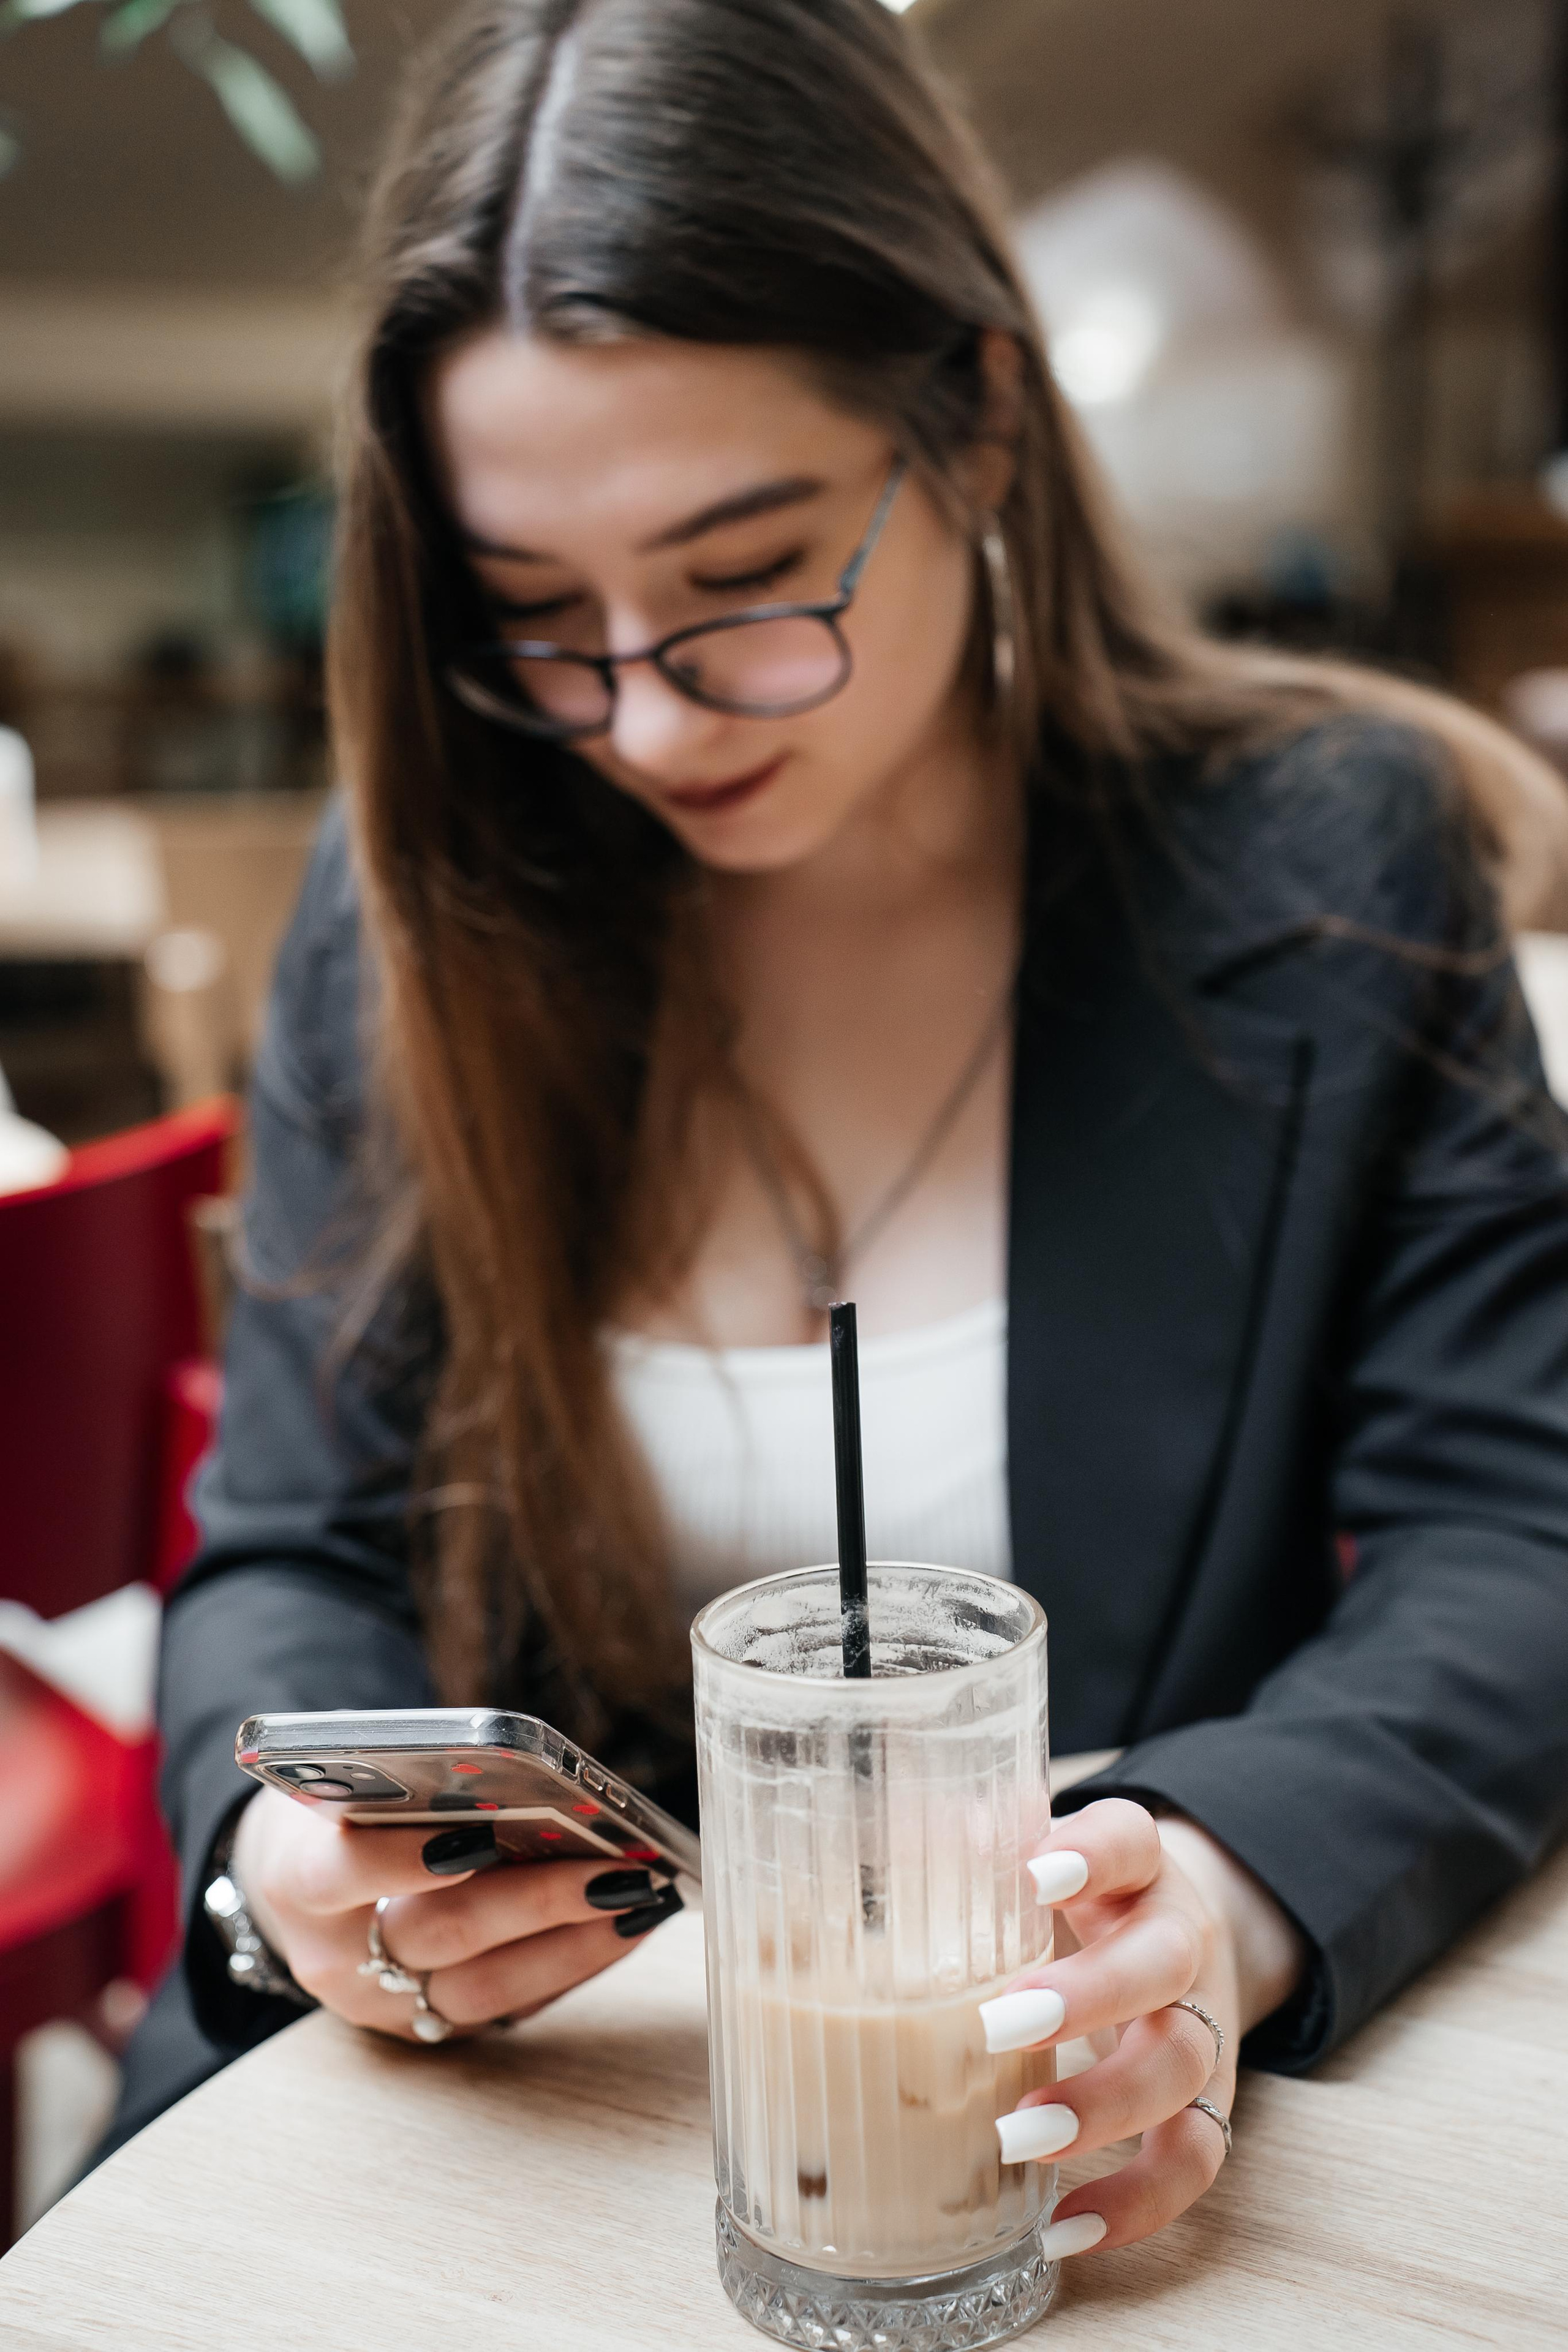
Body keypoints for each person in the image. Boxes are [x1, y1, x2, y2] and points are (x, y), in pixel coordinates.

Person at [105, 0, 1568, 2268]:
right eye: (534, 620)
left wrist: (1210, 1895)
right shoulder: (418, 909)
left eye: (744, 577)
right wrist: (288, 1864)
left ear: (979, 418)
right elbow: (286, 1554)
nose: (646, 717)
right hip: (492, 2142)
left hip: (1034, 2147)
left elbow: (1519, 1529)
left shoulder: (1324, 862)